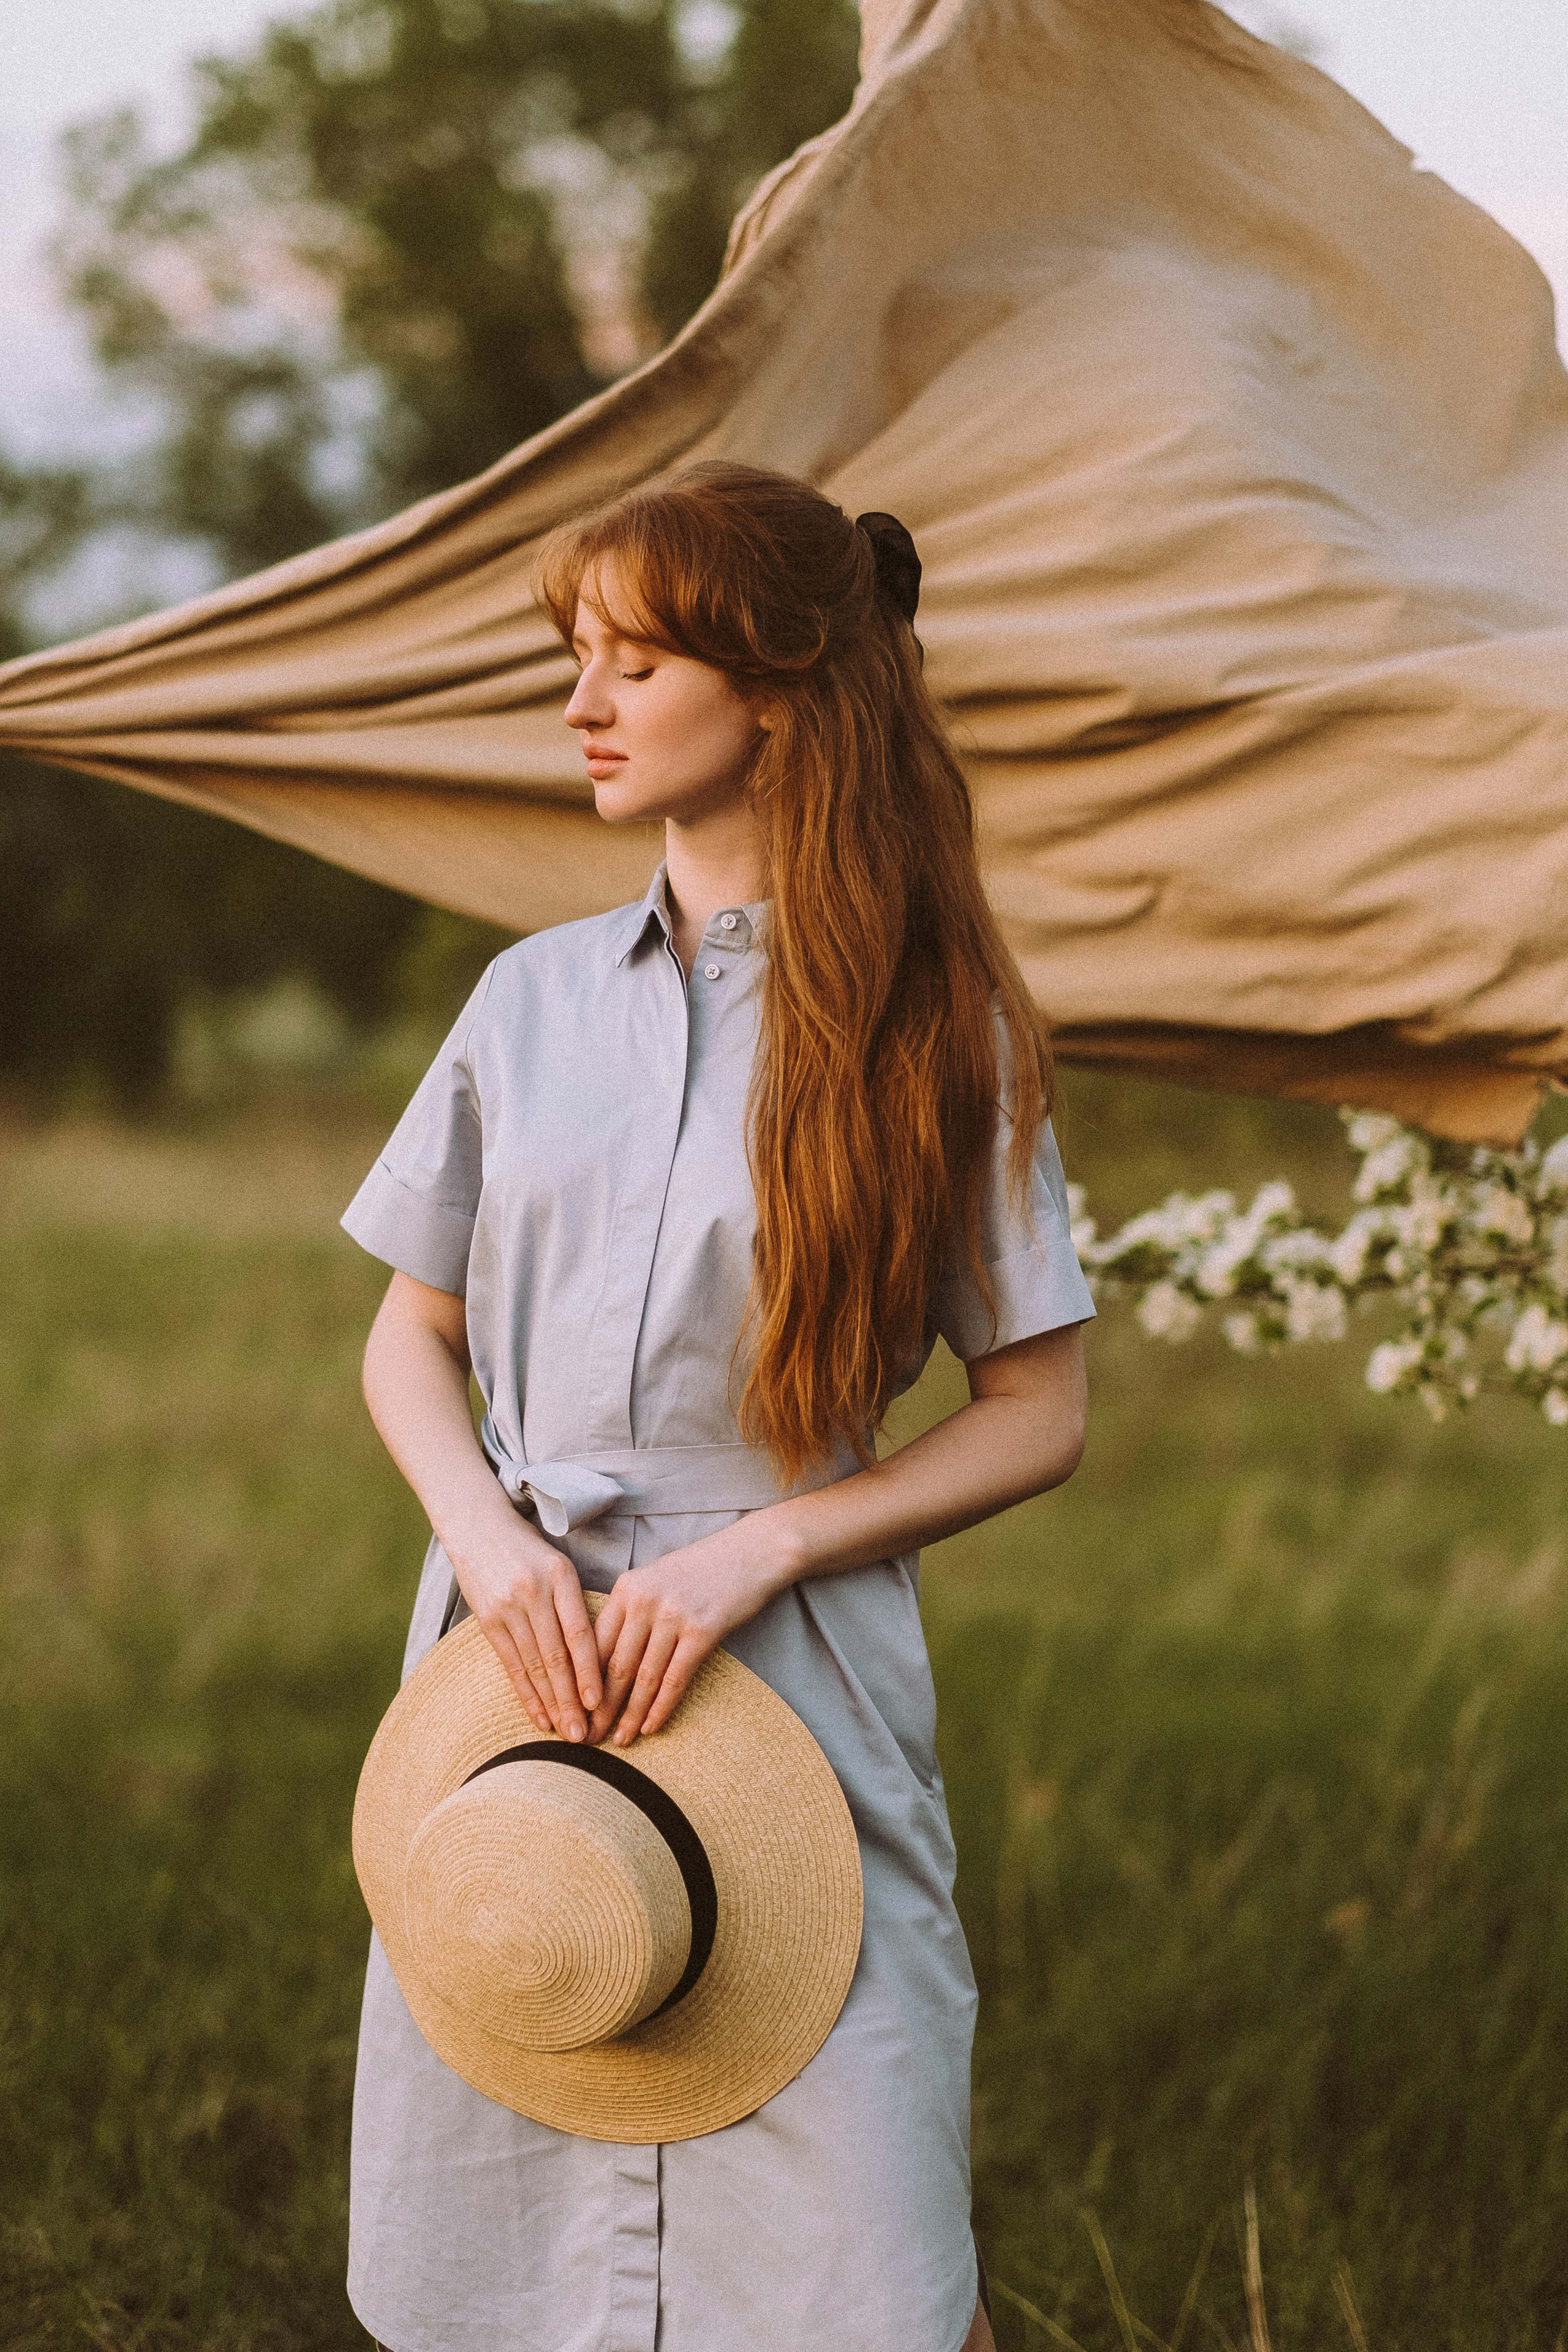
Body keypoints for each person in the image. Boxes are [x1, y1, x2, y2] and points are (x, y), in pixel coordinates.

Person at [340, 461, 1094, 2352]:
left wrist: (761, 1544)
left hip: (790, 1674)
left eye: (634, 660)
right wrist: (489, 1546)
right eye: (573, 659)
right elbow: (404, 1338)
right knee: (526, 2161)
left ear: (774, 688)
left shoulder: (943, 1034)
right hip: (516, 1663)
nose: (582, 703)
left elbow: (1038, 1409)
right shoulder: (520, 1007)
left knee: (859, 2234)